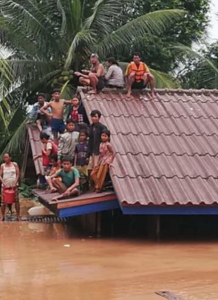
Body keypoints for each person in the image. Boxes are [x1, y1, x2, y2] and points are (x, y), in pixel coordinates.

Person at [0, 153, 20, 221]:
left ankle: (18, 215)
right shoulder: (2, 165)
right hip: (5, 187)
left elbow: (18, 174)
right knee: (3, 202)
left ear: (10, 158)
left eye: (6, 157)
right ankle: (2, 216)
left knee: (16, 201)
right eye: (4, 157)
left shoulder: (15, 164)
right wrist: (3, 183)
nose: (5, 159)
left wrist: (15, 183)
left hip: (14, 186)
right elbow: (0, 175)